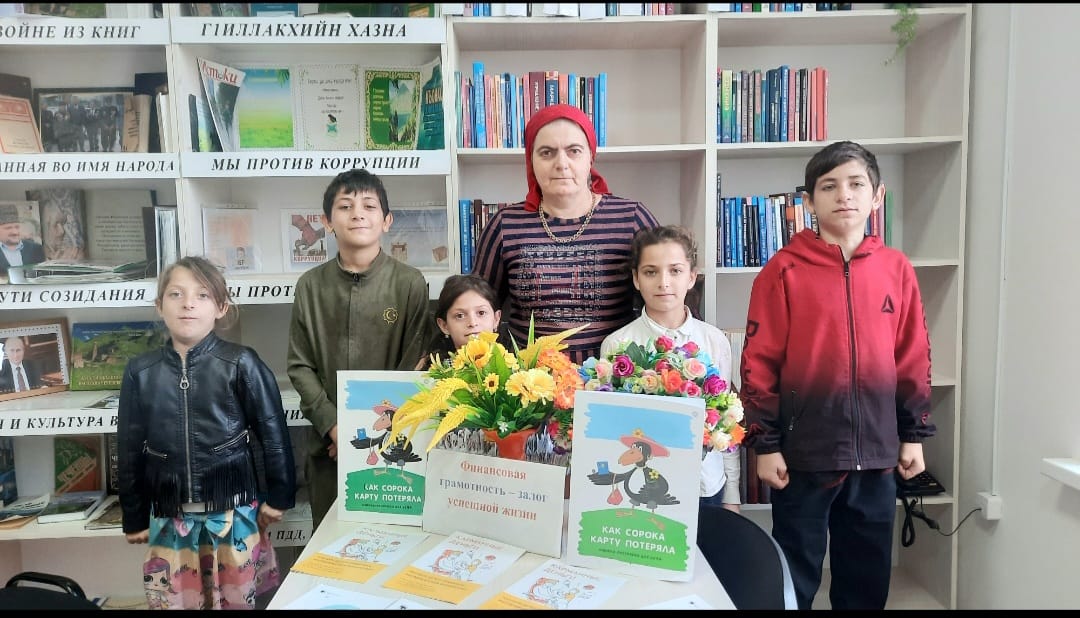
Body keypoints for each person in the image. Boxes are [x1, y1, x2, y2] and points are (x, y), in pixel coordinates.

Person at [739, 141, 935, 610]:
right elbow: (758, 363)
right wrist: (766, 445)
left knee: (866, 576)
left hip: (877, 455)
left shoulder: (896, 269)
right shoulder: (782, 271)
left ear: (877, 196)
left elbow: (912, 356)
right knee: (795, 572)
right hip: (805, 454)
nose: (843, 195)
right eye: (828, 187)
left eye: (855, 184)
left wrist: (913, 436)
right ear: (808, 202)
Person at [116, 255, 296, 610]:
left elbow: (273, 432)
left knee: (237, 601)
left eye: (202, 295)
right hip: (169, 517)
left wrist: (280, 495)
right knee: (174, 602)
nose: (188, 304)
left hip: (233, 514)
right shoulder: (141, 371)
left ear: (221, 307)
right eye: (176, 294)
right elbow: (129, 449)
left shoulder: (241, 362)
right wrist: (133, 515)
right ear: (159, 305)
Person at [288, 168, 432, 530]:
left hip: (393, 442)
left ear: (386, 221)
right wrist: (337, 428)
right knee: (332, 541)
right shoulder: (310, 287)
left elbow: (413, 364)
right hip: (329, 448)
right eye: (345, 206)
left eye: (369, 206)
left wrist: (369, 433)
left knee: (395, 539)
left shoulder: (410, 284)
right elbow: (300, 366)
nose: (357, 214)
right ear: (326, 222)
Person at [471, 103, 659, 365]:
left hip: (615, 376)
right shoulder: (505, 224)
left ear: (590, 158)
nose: (561, 164)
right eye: (547, 152)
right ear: (531, 161)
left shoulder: (631, 218)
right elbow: (476, 308)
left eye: (574, 151)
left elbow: (669, 292)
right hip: (527, 381)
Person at [600, 225, 741, 513]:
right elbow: (613, 429)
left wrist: (732, 493)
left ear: (691, 277)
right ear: (636, 279)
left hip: (704, 485)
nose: (664, 282)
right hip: (643, 488)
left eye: (675, 271)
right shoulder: (617, 345)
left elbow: (726, 421)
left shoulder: (714, 341)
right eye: (651, 272)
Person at [420, 273, 507, 369]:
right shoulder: (438, 370)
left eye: (481, 313)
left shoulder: (513, 367)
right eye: (460, 316)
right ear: (444, 325)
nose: (472, 323)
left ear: (496, 319)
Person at [0, 203, 45, 272]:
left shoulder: (35, 249)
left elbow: (42, 274)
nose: (15, 232)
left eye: (17, 227)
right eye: (8, 228)